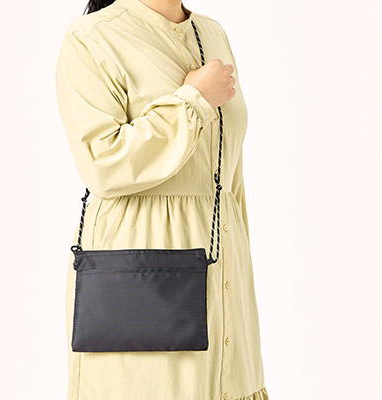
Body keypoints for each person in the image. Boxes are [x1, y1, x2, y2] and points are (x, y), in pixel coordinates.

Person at [55, 0, 269, 399]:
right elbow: (101, 162)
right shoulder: (92, 36)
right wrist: (194, 100)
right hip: (144, 274)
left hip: (223, 268)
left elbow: (228, 174)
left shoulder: (212, 34)